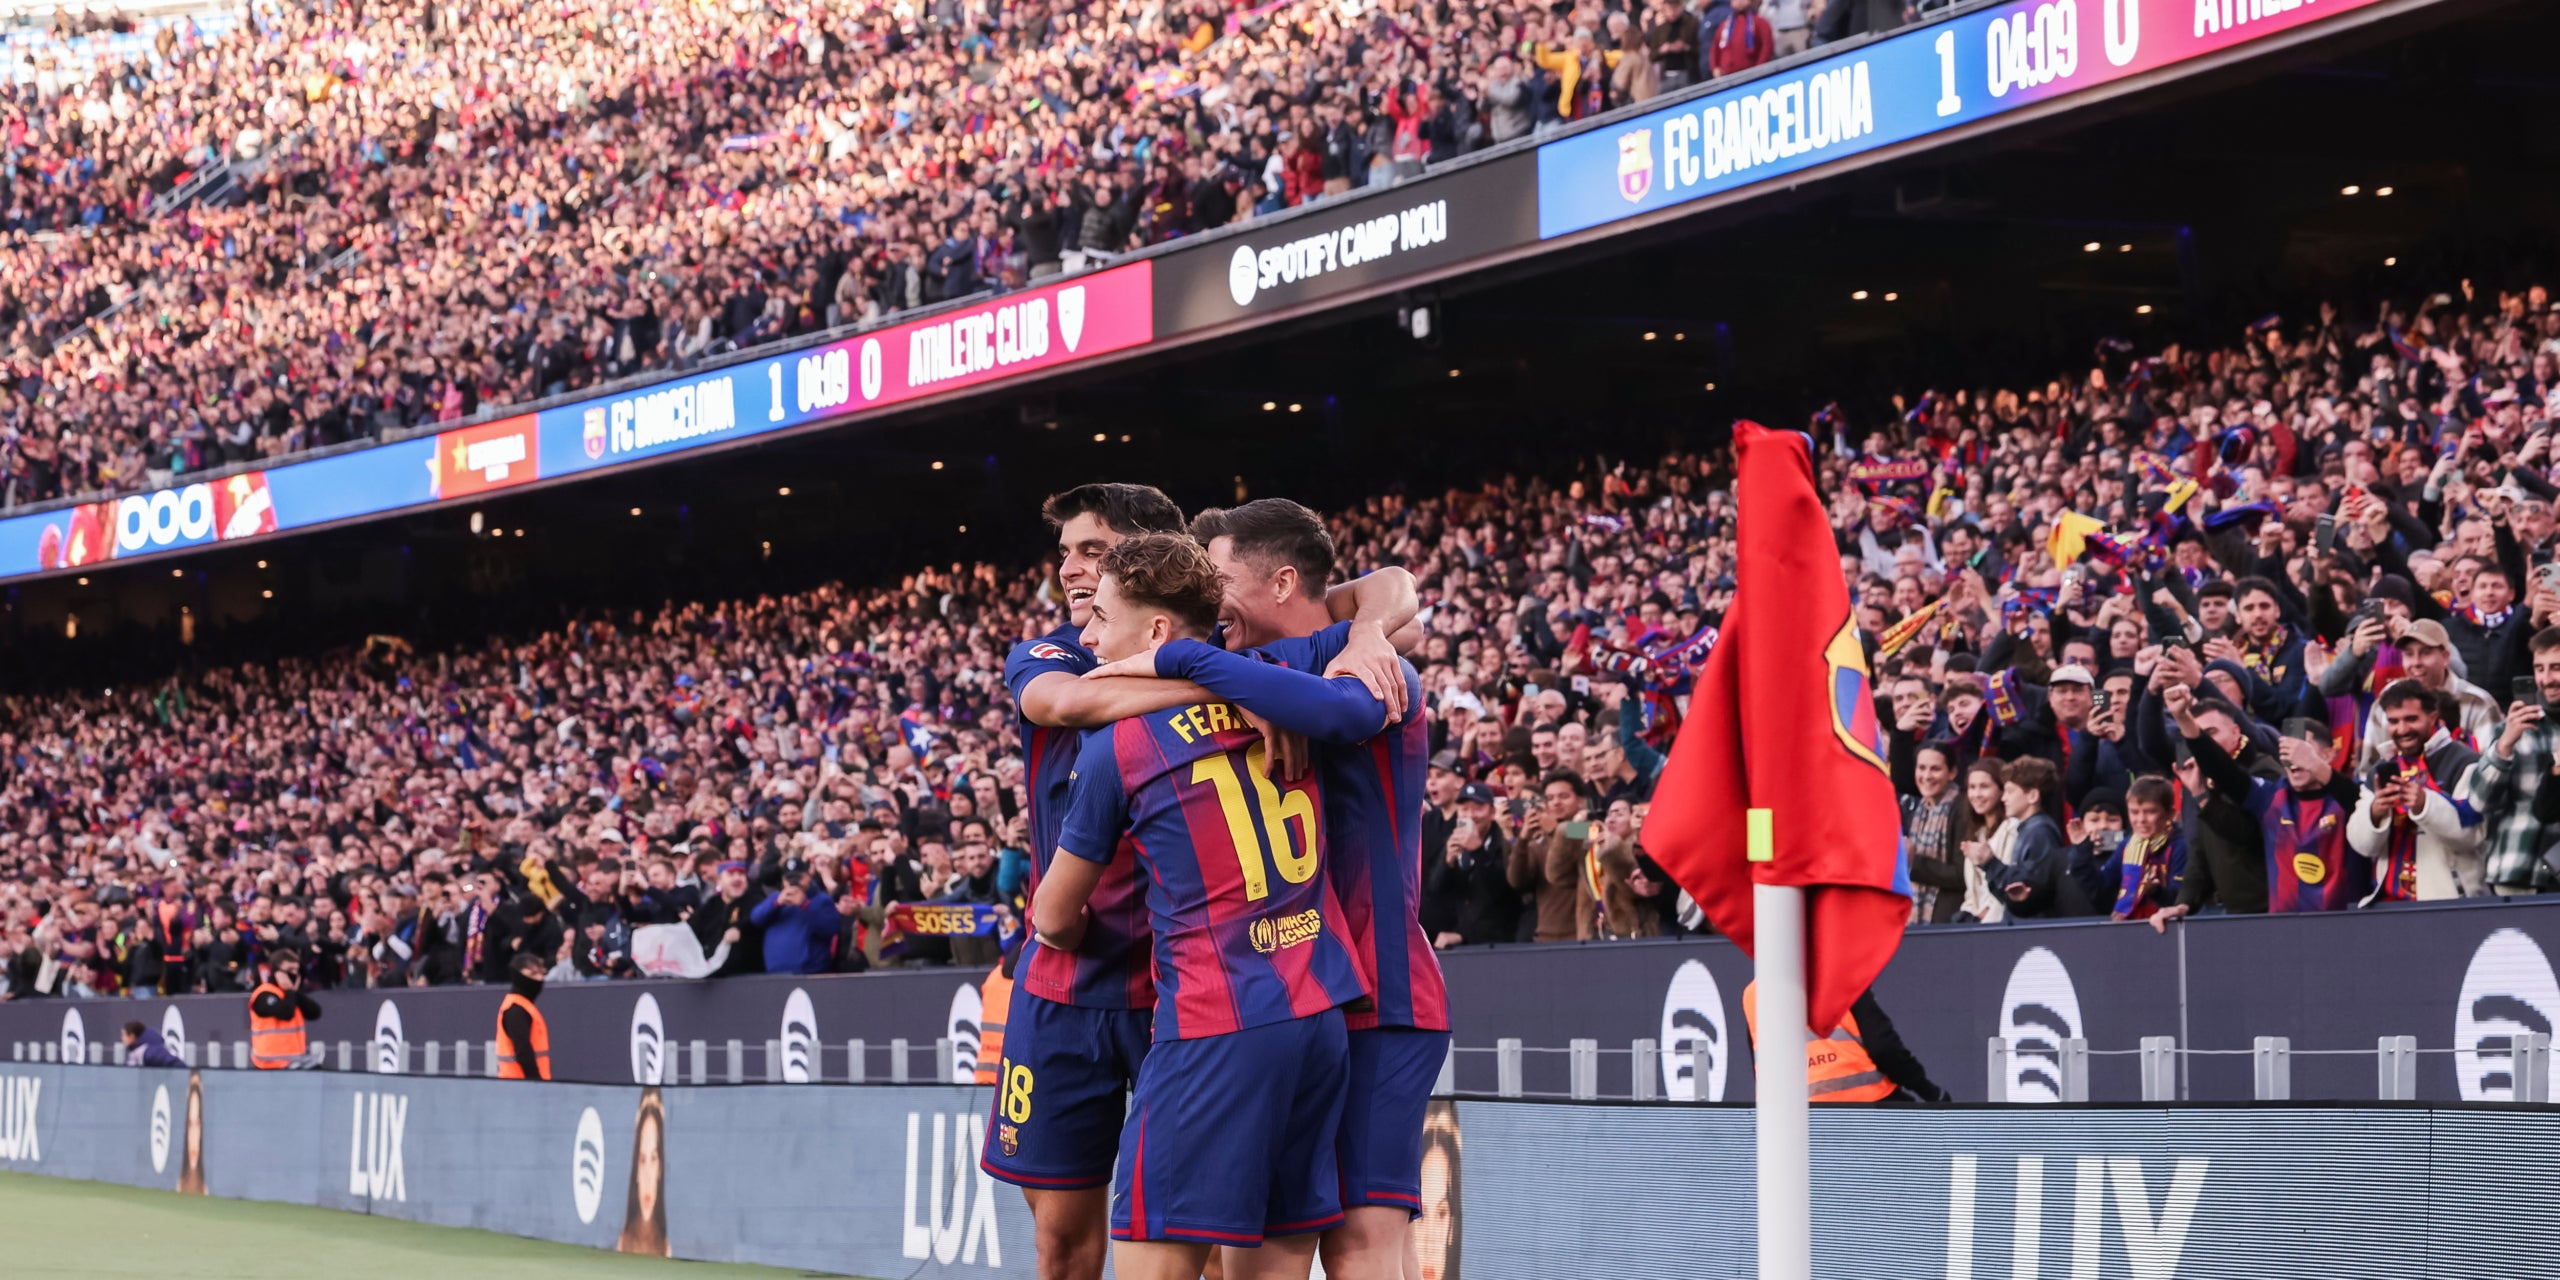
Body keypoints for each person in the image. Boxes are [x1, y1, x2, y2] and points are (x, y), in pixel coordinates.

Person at [1031, 533, 1378, 1279]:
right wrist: (1372, 630)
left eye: (1103, 617)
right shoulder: (1279, 679)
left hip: (1213, 1024)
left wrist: (1074, 925)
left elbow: (1051, 918)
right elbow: (1391, 596)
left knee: (1155, 1258)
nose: (1088, 637)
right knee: (1275, 1261)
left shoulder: (1119, 743)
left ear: (1157, 630)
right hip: (1318, 1014)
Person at [1134, 498, 1444, 1280]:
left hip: (1381, 992)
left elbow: (1384, 604)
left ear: (1280, 582)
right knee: (1265, 1246)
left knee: (1363, 1241)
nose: (1208, 603)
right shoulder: (1257, 677)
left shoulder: (1367, 670)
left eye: (1220, 581)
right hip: (1291, 1000)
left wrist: (1369, 628)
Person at [2348, 679, 2487, 902]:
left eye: (2411, 719)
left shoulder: (2466, 762)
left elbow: (2472, 836)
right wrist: (2375, 813)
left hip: (2451, 903)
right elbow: (2362, 846)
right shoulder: (2382, 769)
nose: (2402, 729)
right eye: (2394, 721)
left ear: (2433, 717)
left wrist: (2425, 804)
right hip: (2390, 903)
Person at [1742, 981, 1947, 1102]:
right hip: (1867, 1106)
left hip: (1791, 1122)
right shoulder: (1845, 980)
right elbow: (1885, 1049)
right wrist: (1930, 1092)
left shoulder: (1753, 994)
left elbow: (1760, 1068)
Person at [617, 1088, 671, 1256]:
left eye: (653, 1159)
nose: (647, 1175)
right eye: (642, 1160)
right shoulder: (623, 1242)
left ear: (660, 1168)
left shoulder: (665, 1248)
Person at [247, 950, 320, 1069]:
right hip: (268, 1064)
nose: (295, 974)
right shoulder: (264, 994)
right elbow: (286, 1013)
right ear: (277, 972)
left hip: (294, 1063)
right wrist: (290, 991)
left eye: (297, 970)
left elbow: (315, 1012)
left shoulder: (290, 993)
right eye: (290, 970)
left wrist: (294, 992)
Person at [496, 951, 552, 1081]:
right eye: (533, 974)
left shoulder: (523, 1006)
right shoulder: (516, 1009)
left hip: (521, 1084)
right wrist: (536, 1082)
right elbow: (523, 1051)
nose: (539, 979)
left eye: (541, 974)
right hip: (519, 1085)